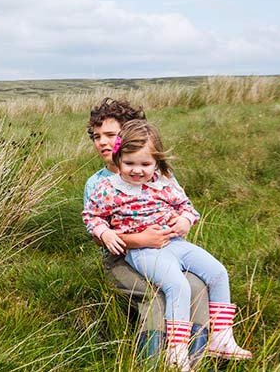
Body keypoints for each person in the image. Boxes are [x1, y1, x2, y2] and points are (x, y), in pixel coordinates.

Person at [84, 119, 252, 371]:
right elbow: (92, 216)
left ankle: (221, 338)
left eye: (145, 164)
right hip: (141, 251)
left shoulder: (163, 181)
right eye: (129, 164)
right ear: (119, 161)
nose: (137, 170)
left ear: (156, 162)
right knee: (176, 285)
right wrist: (106, 232)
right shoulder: (108, 188)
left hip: (174, 242)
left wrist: (185, 219)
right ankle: (175, 351)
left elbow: (186, 207)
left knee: (217, 273)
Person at [84, 98, 211, 360]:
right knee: (157, 295)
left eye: (111, 135)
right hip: (121, 259)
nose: (103, 142)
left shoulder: (157, 175)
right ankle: (152, 362)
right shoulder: (98, 184)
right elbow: (98, 234)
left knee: (197, 287)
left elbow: (182, 208)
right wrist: (139, 239)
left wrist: (182, 222)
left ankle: (195, 360)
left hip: (166, 253)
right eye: (97, 136)